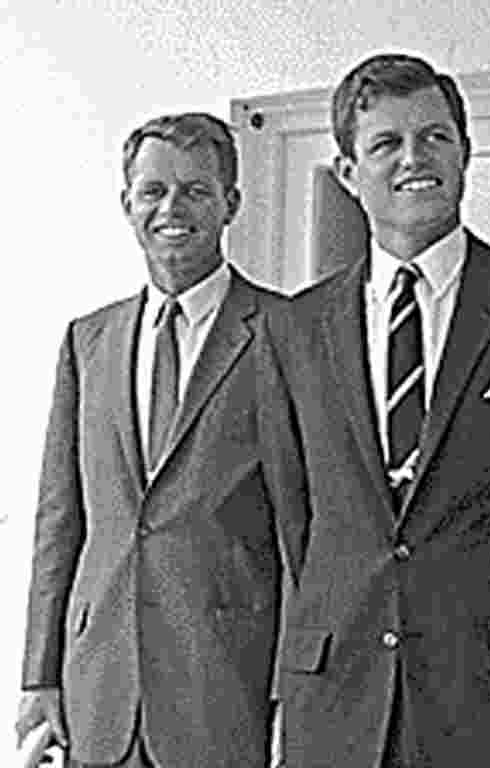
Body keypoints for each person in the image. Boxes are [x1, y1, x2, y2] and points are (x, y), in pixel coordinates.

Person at [265, 53, 490, 767]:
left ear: (464, 151)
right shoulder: (295, 331)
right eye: (387, 143)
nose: (415, 158)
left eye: (434, 136)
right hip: (344, 707)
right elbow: (295, 517)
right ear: (348, 172)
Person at [14, 112, 308, 768]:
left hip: (226, 689)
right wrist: (39, 677)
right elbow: (60, 524)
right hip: (98, 690)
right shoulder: (87, 341)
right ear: (127, 204)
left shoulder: (287, 333)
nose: (171, 208)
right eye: (153, 191)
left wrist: (297, 690)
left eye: (195, 191)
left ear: (231, 203)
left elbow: (304, 533)